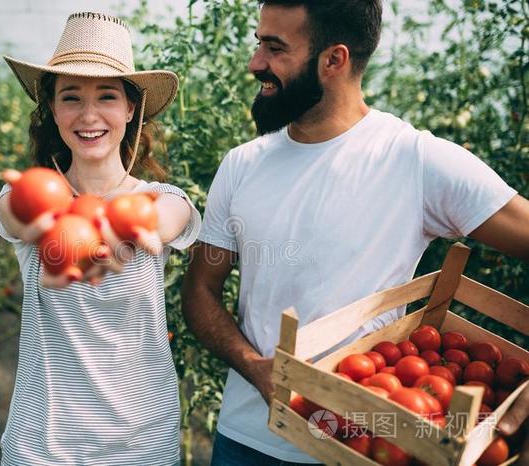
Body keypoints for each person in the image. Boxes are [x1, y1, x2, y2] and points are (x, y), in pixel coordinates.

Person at [180, 1, 529, 465]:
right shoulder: (242, 165)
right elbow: (200, 290)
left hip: (364, 448)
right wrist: (254, 366)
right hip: (245, 442)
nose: (255, 63)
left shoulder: (416, 161)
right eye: (257, 43)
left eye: (274, 47)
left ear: (334, 60)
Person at [0, 12, 201, 465]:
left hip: (141, 439)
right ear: (52, 108)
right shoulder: (25, 195)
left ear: (130, 108)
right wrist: (54, 229)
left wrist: (107, 232)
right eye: (71, 98)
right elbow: (17, 218)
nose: (88, 116)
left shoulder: (164, 199)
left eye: (106, 96)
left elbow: (165, 220)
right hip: (44, 441)